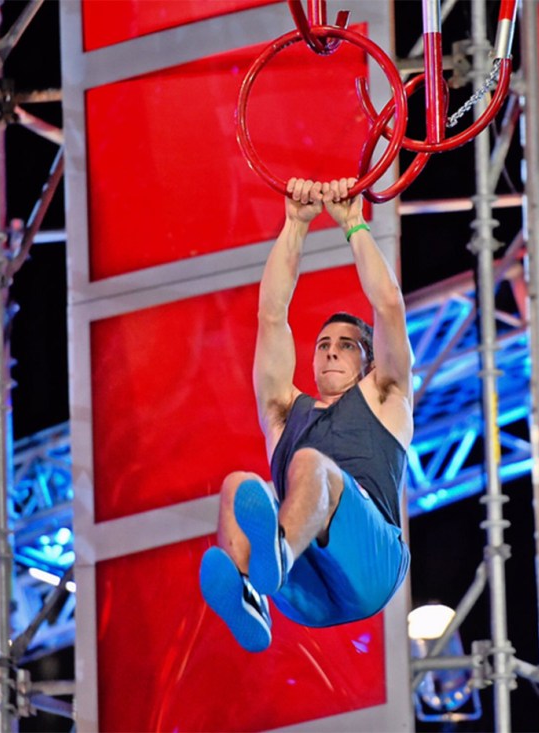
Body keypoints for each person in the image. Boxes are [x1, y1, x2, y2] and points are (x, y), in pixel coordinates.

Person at [199, 177, 412, 652]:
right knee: (238, 486)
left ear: (369, 362)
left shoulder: (387, 396)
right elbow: (271, 315)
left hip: (371, 568)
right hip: (304, 594)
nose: (332, 353)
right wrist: (295, 225)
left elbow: (389, 305)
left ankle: (276, 552)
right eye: (323, 345)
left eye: (347, 346)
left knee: (311, 464)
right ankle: (252, 596)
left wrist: (354, 224)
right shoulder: (282, 414)